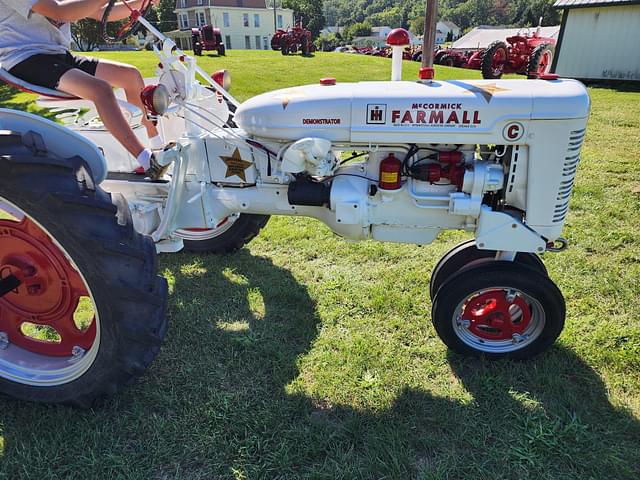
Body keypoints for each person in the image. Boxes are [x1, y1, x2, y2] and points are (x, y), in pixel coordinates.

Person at [0, 0, 168, 179]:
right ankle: (146, 161)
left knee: (130, 76)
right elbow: (60, 12)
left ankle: (156, 145)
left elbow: (102, 12)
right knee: (100, 90)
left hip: (59, 55)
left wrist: (143, 2)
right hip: (25, 58)